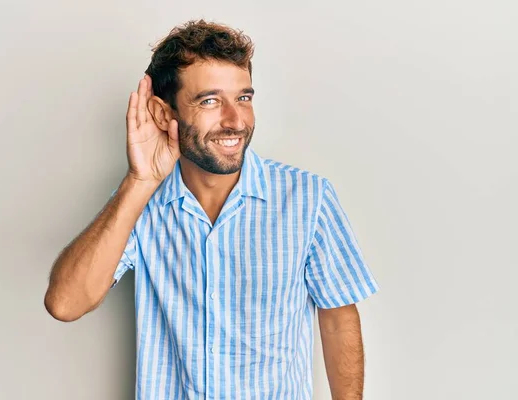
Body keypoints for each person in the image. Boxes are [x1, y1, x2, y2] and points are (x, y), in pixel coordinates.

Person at [44, 19, 380, 400]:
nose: (235, 121)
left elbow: (338, 318)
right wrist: (138, 183)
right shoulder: (140, 204)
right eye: (209, 101)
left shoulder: (308, 197)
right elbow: (65, 303)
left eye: (243, 98)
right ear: (162, 113)